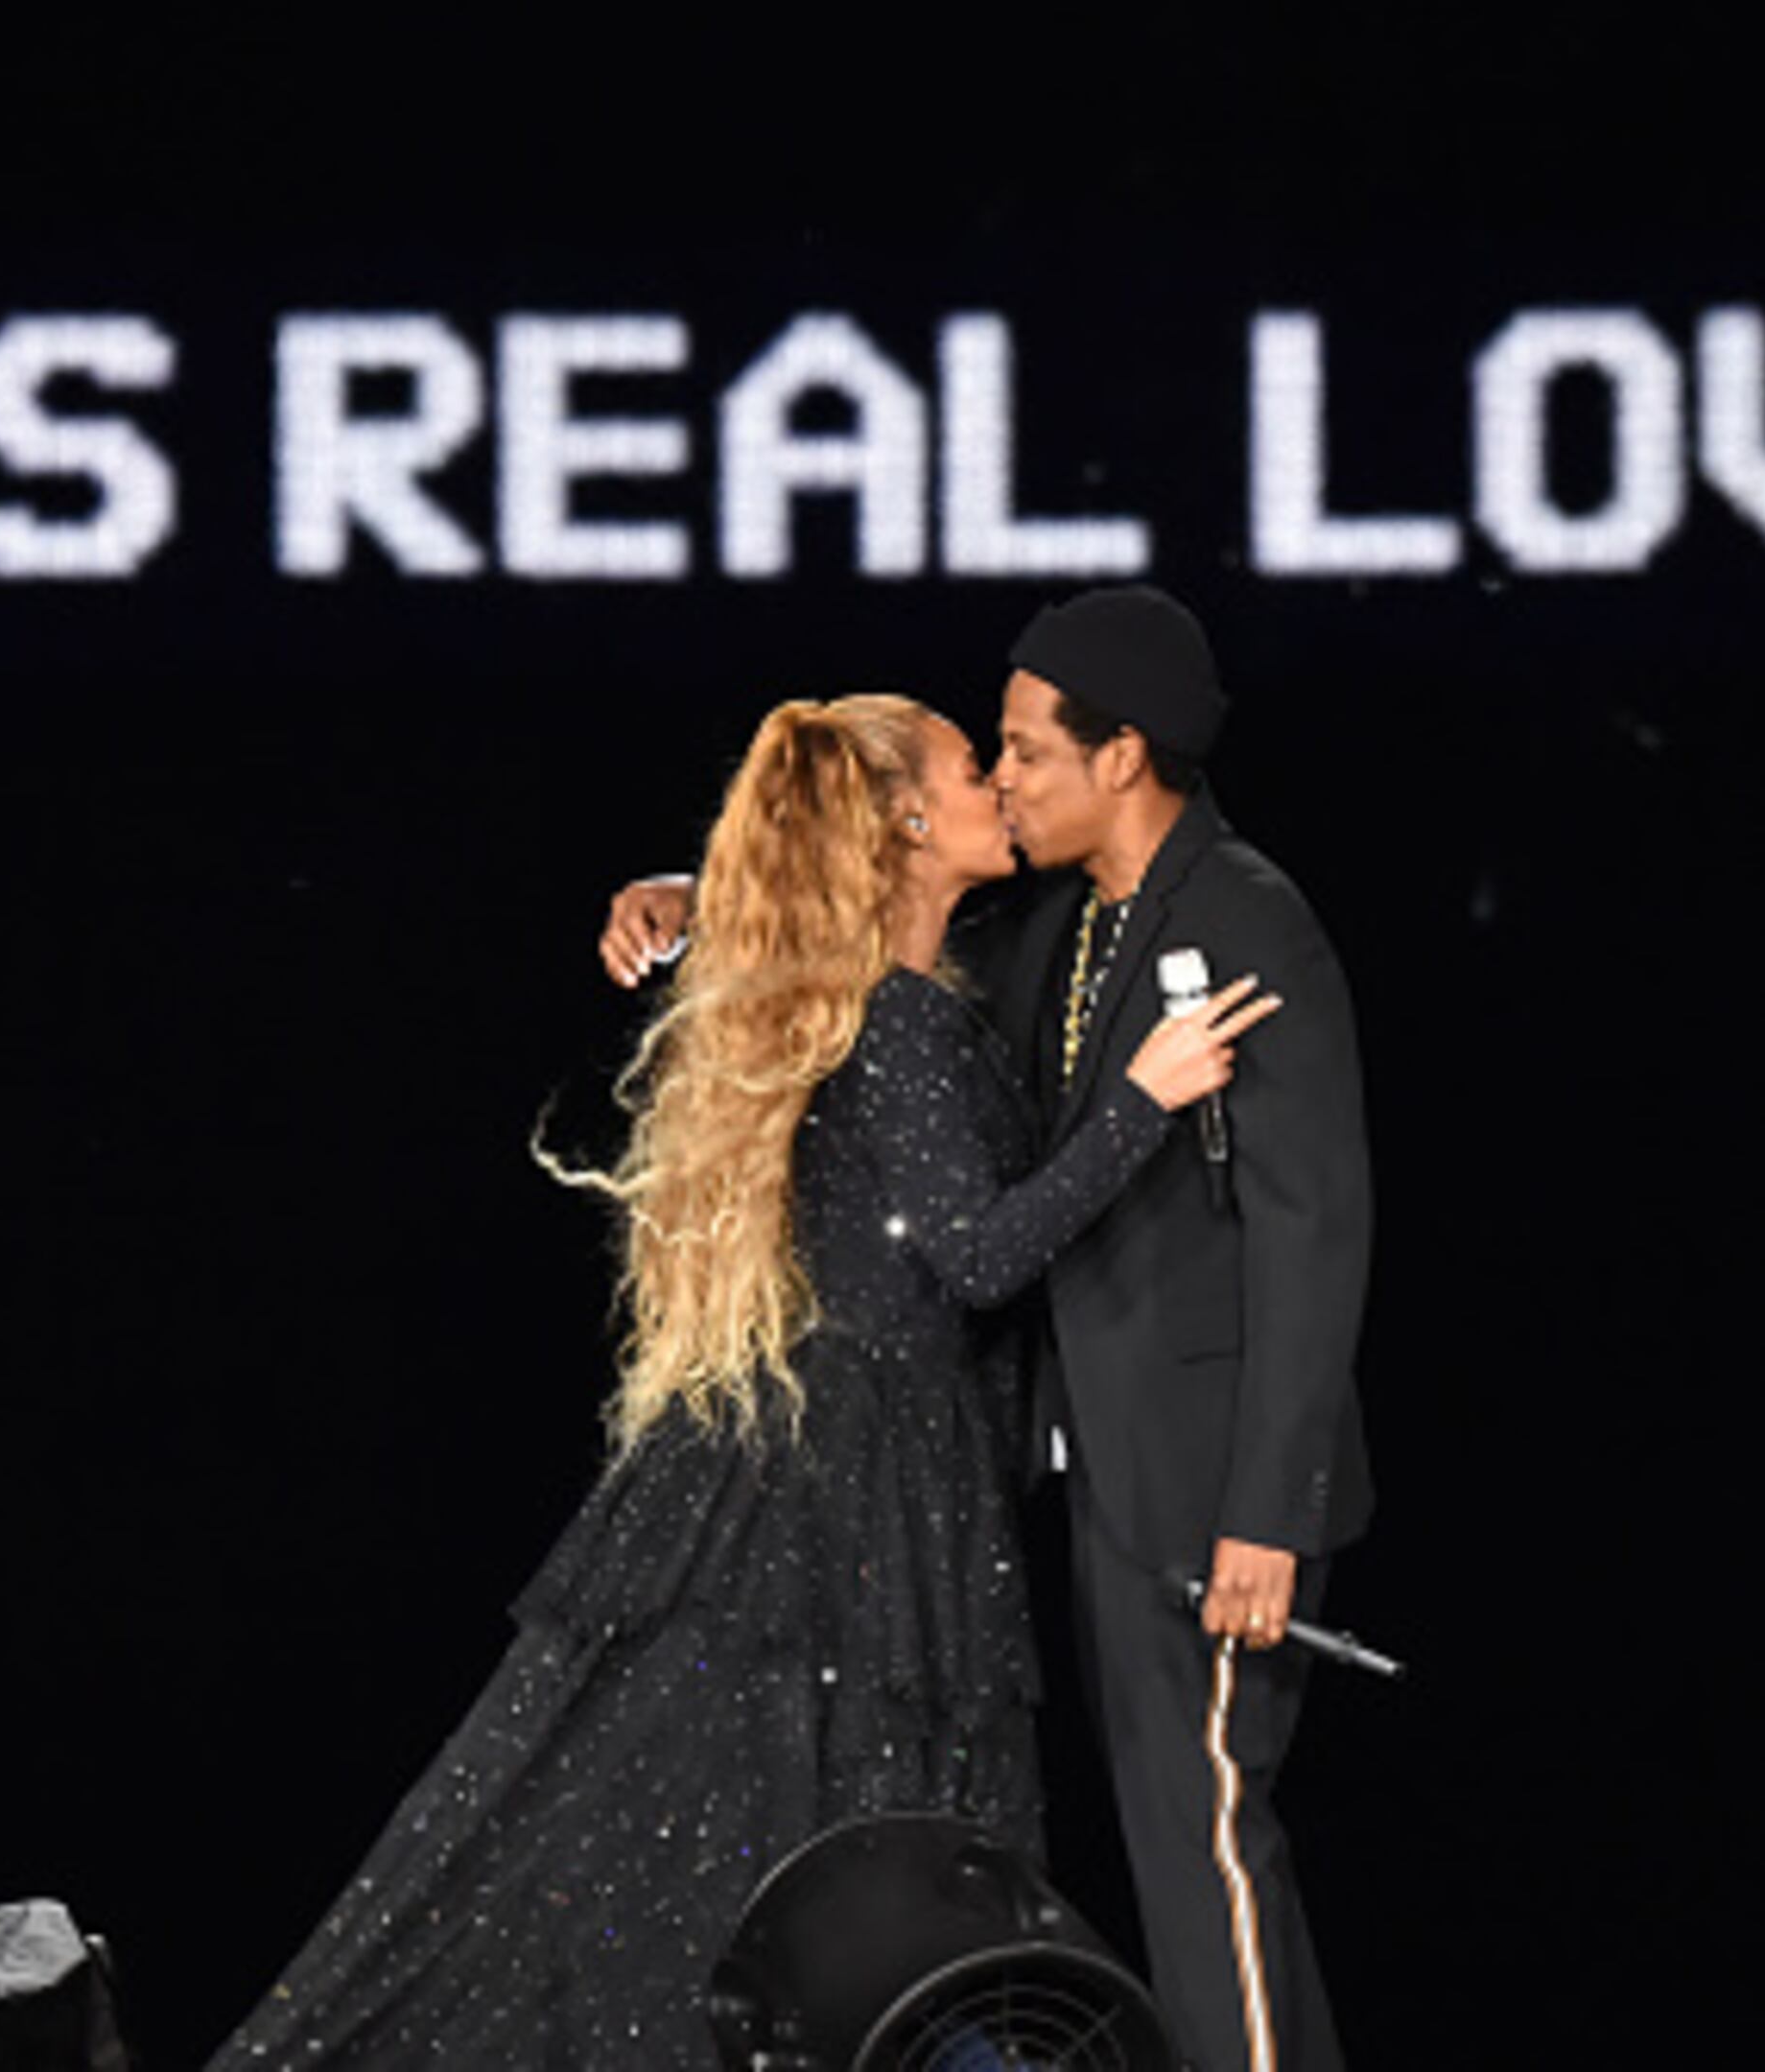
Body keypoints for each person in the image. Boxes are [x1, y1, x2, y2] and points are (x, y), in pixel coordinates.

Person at [209, 694, 1278, 2071]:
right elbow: (979, 1255)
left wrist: (685, 892)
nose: (1004, 788)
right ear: (904, 817)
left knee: (807, 1861)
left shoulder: (880, 985)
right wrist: (1148, 1095)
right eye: (976, 768)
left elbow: (805, 904)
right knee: (854, 1873)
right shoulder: (893, 1020)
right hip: (853, 1494)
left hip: (832, 1471)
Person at [599, 588, 1373, 2072]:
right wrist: (697, 896)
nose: (1003, 780)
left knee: (1211, 1855)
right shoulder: (1065, 936)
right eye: (992, 759)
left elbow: (1313, 1235)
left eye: (1022, 751)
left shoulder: (1246, 921)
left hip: (1216, 1504)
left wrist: (1273, 1511)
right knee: (1168, 1855)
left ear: (1123, 754)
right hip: (1111, 1491)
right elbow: (858, 919)